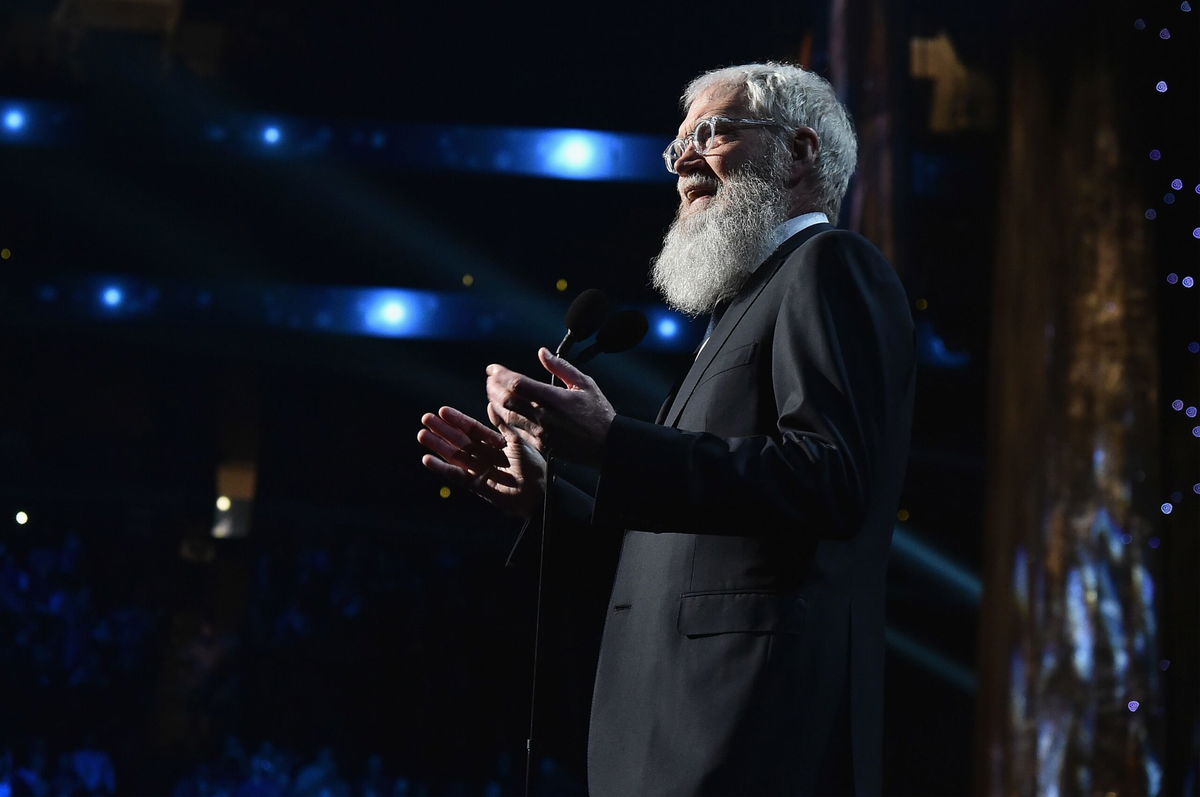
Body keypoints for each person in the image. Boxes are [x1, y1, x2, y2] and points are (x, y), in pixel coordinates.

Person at [418, 62, 915, 796]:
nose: (683, 160)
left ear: (801, 150)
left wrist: (615, 443)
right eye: (676, 145)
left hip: (749, 734)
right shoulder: (738, 311)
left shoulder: (828, 266)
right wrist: (550, 499)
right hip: (666, 738)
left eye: (711, 134)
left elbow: (830, 480)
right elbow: (679, 557)